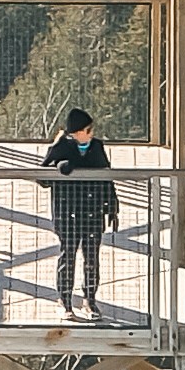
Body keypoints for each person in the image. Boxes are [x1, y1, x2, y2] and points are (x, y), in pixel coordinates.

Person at [42, 105, 118, 323]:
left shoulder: (97, 147)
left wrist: (112, 206)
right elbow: (42, 177)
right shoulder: (61, 146)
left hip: (92, 212)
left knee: (91, 258)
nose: (92, 133)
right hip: (68, 212)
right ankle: (65, 300)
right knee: (68, 255)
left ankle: (90, 300)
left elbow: (106, 176)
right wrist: (59, 166)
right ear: (76, 132)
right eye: (88, 129)